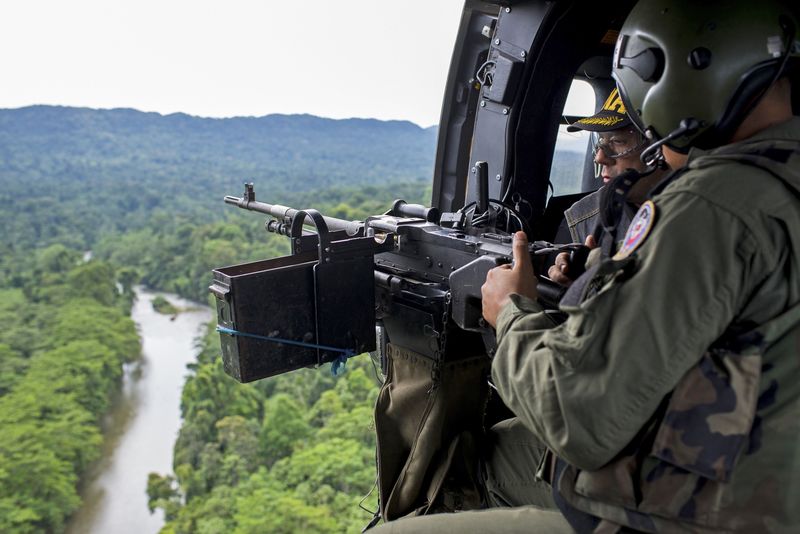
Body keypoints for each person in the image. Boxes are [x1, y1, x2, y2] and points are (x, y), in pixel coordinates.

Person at [375, 0, 800, 531]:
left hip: (711, 505)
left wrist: (511, 311)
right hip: (758, 462)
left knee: (415, 517)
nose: (602, 158)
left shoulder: (710, 204)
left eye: (618, 140)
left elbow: (578, 416)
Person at [549, 88, 670, 286]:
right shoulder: (581, 220)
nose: (600, 157)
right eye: (601, 142)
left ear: (658, 148)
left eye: (617, 141)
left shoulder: (697, 212)